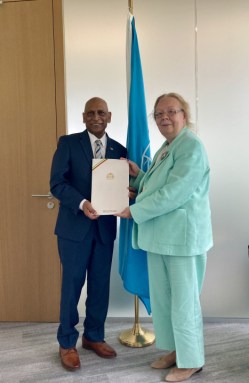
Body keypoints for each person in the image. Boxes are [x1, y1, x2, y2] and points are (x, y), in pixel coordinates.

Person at [116, 93, 213, 382]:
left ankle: (191, 359)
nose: (164, 118)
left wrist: (135, 210)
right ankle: (174, 350)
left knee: (183, 302)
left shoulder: (191, 147)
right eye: (158, 114)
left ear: (184, 114)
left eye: (171, 111)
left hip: (182, 240)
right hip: (160, 238)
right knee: (164, 301)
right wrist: (138, 177)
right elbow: (159, 183)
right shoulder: (167, 147)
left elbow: (176, 192)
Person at [50, 97, 127, 371]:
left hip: (104, 230)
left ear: (109, 116)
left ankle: (93, 337)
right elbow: (57, 184)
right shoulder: (68, 144)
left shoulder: (120, 149)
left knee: (99, 286)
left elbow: (123, 188)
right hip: (73, 229)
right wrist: (82, 204)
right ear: (83, 117)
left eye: (101, 112)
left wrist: (126, 196)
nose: (97, 117)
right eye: (91, 113)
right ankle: (67, 342)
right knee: (71, 287)